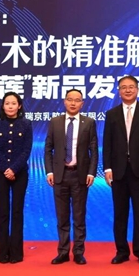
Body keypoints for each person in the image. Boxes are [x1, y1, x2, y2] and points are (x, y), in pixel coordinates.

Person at [103, 76, 139, 265]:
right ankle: (121, 251)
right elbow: (107, 143)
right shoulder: (112, 114)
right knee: (120, 213)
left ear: (137, 89)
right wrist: (107, 168)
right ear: (119, 91)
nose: (127, 90)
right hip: (118, 170)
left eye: (131, 87)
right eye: (124, 87)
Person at [44, 89, 98, 265]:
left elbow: (94, 150)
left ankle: (79, 252)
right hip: (60, 175)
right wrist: (50, 171)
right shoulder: (55, 122)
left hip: (80, 175)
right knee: (62, 217)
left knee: (79, 216)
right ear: (64, 101)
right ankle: (63, 252)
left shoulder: (89, 122)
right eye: (70, 99)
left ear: (82, 103)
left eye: (77, 100)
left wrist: (91, 172)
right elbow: (48, 149)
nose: (73, 103)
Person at [0, 92, 32, 264]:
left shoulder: (26, 124)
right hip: (0, 173)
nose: (10, 106)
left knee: (17, 212)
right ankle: (2, 252)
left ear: (19, 106)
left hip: (20, 173)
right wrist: (5, 169)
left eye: (13, 103)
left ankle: (16, 253)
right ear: (3, 106)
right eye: (7, 103)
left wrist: (13, 169)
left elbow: (26, 150)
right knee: (3, 212)